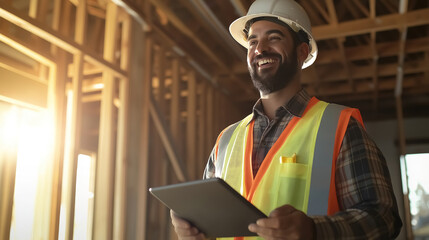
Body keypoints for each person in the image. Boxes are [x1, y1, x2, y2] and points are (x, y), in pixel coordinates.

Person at [171, 0, 402, 239]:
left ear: (302, 52)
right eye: (252, 41)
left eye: (274, 38)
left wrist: (314, 230)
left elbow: (383, 219)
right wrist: (193, 232)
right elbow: (213, 223)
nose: (260, 49)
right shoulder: (226, 141)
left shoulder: (339, 127)